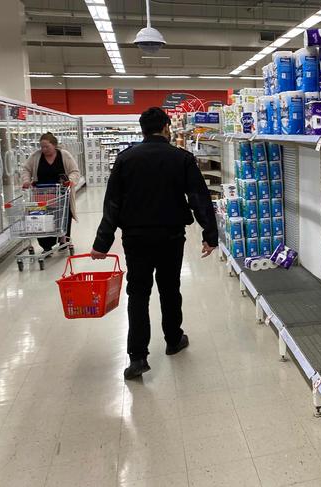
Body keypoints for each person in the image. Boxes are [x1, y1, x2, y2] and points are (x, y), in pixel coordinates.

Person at [90, 107, 219, 380]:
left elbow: (112, 203)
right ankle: (173, 340)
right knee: (170, 288)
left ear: (142, 129)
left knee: (138, 294)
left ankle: (137, 358)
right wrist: (210, 235)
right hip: (171, 236)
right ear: (165, 127)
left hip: (136, 238)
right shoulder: (181, 158)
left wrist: (102, 243)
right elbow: (199, 197)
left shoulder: (125, 159)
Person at [21, 132, 80, 253]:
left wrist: (70, 181)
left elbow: (75, 171)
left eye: (46, 146)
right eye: (41, 146)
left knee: (63, 217)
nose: (43, 149)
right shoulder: (36, 156)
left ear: (54, 145)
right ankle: (46, 246)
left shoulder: (64, 155)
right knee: (42, 218)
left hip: (61, 193)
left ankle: (64, 239)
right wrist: (26, 181)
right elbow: (26, 169)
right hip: (41, 194)